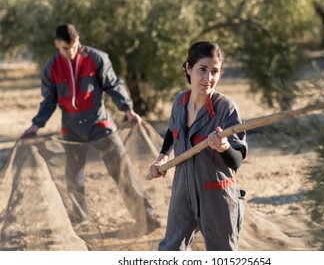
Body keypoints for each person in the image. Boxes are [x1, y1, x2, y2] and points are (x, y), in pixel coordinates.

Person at [21, 24, 160, 234]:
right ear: (57, 44)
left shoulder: (96, 58)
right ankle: (80, 223)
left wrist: (128, 110)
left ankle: (147, 217)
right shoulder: (51, 67)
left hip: (100, 124)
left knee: (122, 171)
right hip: (71, 130)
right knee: (74, 179)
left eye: (74, 46)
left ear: (78, 41)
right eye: (66, 48)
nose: (71, 52)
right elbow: (49, 101)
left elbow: (113, 85)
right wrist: (36, 125)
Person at [149, 41, 248, 250]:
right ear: (188, 68)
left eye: (215, 71)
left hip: (216, 196)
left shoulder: (226, 109)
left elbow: (237, 160)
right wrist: (163, 156)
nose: (208, 78)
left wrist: (223, 148)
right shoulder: (180, 101)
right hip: (182, 191)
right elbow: (172, 131)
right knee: (169, 251)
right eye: (202, 69)